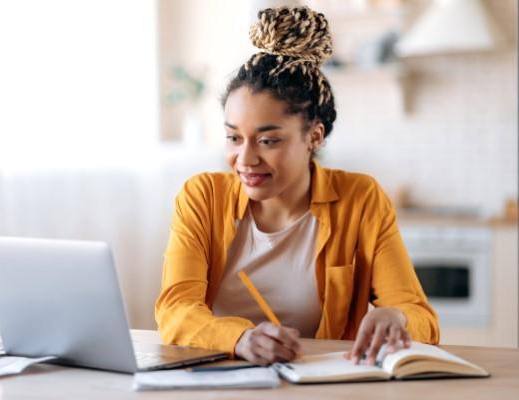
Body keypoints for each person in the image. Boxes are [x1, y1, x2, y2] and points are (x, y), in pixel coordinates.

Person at [155, 6, 439, 366]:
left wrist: (397, 317)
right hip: (221, 380)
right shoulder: (202, 197)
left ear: (314, 137)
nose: (245, 158)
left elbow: (422, 318)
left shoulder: (360, 199)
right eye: (233, 137)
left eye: (268, 141)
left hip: (321, 384)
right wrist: (239, 338)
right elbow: (175, 309)